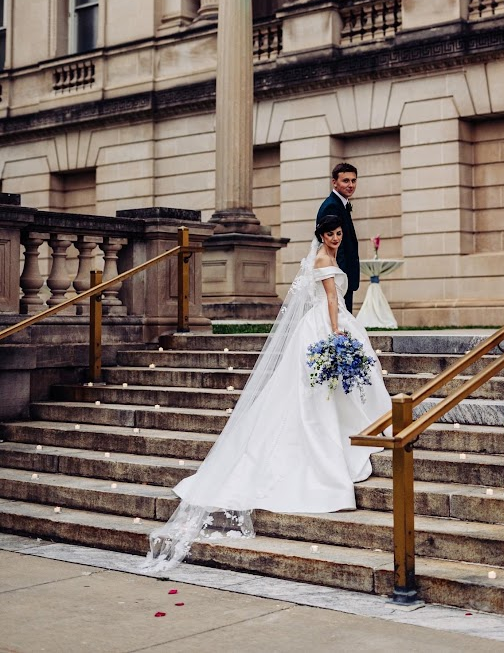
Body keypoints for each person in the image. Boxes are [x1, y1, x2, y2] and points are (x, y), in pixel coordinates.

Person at [143, 214, 390, 574]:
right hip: (327, 325)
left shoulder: (324, 257)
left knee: (326, 389)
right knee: (319, 390)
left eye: (339, 234)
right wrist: (337, 333)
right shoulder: (323, 260)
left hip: (319, 324)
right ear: (321, 235)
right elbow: (332, 300)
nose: (336, 239)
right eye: (331, 234)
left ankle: (349, 428)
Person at [316, 163, 359, 312]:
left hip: (343, 276)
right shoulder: (332, 206)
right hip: (338, 276)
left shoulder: (342, 204)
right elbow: (334, 244)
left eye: (353, 180)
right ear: (334, 182)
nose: (351, 185)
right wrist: (339, 276)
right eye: (345, 180)